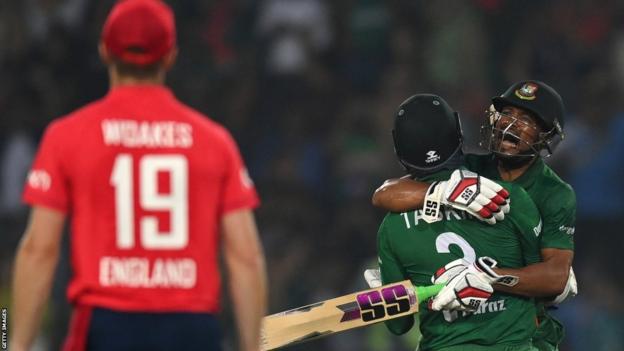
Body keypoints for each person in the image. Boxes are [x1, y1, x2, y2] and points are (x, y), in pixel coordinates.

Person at [10, 1, 267, 350]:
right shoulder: (214, 141)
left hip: (106, 323)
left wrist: (15, 344)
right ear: (171, 56)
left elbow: (39, 249)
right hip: (191, 325)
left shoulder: (67, 136)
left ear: (104, 51)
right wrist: (252, 345)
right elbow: (245, 255)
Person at [371, 81, 576, 351]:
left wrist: (487, 277)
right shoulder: (470, 166)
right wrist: (443, 191)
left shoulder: (555, 194)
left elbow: (554, 278)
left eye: (526, 119)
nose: (510, 125)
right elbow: (385, 193)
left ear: (548, 134)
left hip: (525, 330)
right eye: (506, 115)